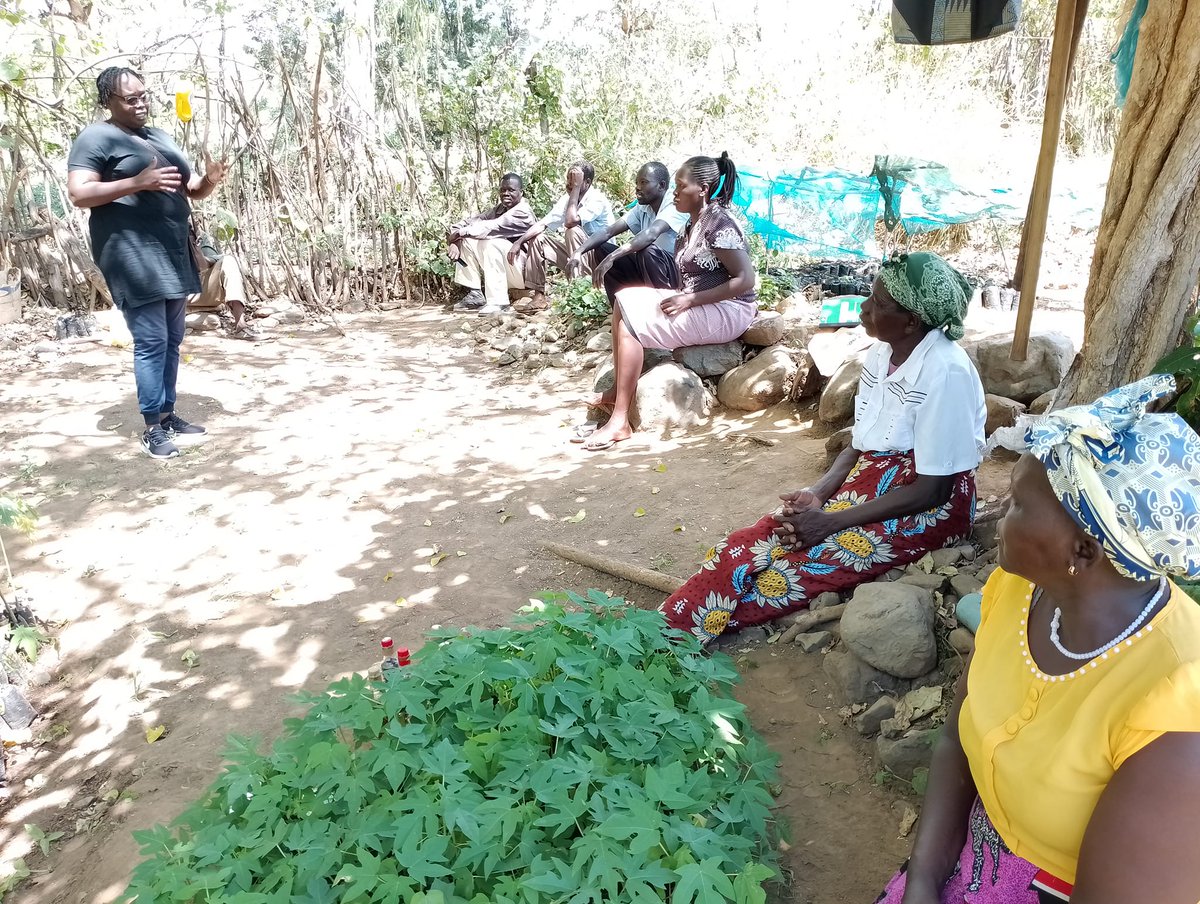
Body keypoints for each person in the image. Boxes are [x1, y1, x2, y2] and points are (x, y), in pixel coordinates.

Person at [875, 374, 1200, 904]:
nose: (1000, 511)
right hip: (965, 862)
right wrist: (923, 882)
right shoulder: (1015, 591)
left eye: (1019, 504)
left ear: (1083, 552)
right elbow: (958, 737)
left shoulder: (1176, 708)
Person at [661, 251, 986, 640]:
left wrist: (831, 522)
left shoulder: (947, 370)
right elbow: (862, 441)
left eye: (879, 304)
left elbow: (935, 489)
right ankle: (670, 622)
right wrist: (818, 495)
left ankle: (673, 638)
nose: (864, 308)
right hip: (873, 482)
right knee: (752, 540)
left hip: (929, 506)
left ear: (911, 321)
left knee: (787, 575)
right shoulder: (882, 354)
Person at [67, 66, 223, 460]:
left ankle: (168, 414)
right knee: (152, 340)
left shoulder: (159, 137)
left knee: (173, 338)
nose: (141, 103)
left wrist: (210, 180)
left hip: (171, 249)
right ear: (108, 101)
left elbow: (189, 190)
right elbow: (79, 193)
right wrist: (137, 182)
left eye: (144, 95)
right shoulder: (96, 137)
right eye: (130, 98)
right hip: (131, 251)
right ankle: (152, 427)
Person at [578, 153, 758, 452]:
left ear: (702, 188)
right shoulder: (692, 224)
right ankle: (617, 394)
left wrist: (689, 299)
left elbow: (745, 280)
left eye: (679, 186)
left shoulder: (719, 222)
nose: (674, 193)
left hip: (731, 309)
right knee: (624, 300)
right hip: (703, 304)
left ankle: (620, 420)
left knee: (634, 320)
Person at [567, 161, 687, 305]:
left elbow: (651, 234)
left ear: (661, 185)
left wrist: (613, 256)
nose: (637, 188)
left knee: (648, 251)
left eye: (644, 182)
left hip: (675, 274)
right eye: (637, 183)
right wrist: (578, 252)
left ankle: (661, 308)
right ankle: (622, 307)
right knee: (603, 249)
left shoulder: (674, 204)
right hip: (649, 268)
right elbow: (608, 231)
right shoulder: (642, 207)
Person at [507, 161, 614, 313]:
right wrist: (518, 242)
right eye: (569, 179)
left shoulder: (597, 199)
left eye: (575, 180)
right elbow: (543, 223)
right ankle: (539, 297)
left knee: (572, 231)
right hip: (575, 257)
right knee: (538, 238)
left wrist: (576, 189)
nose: (570, 184)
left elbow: (570, 222)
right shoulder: (568, 199)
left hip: (599, 261)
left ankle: (581, 290)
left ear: (587, 182)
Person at [447, 173, 536, 314]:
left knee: (490, 242)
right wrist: (455, 241)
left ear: (521, 192)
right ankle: (475, 294)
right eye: (503, 190)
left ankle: (498, 302)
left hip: (524, 273)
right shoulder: (499, 209)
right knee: (467, 240)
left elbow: (491, 227)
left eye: (511, 190)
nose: (506, 194)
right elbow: (465, 224)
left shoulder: (523, 212)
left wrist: (457, 235)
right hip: (508, 270)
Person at [187, 232, 264, 341]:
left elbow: (204, 266)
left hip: (196, 292)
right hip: (171, 295)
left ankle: (240, 326)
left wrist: (194, 247)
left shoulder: (196, 235)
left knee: (229, 261)